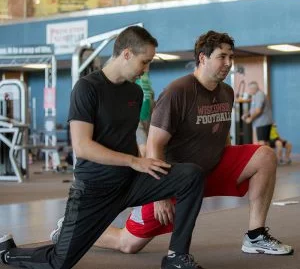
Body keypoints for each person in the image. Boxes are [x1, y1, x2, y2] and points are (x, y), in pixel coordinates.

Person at [50, 30, 293, 257]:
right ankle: (69, 230)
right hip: (177, 177)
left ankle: (255, 235)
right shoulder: (178, 91)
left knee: (264, 155)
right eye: (222, 57)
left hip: (211, 167)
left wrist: (234, 164)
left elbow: (222, 136)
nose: (229, 62)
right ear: (203, 58)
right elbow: (154, 143)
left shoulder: (226, 93)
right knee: (129, 243)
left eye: (231, 56)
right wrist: (160, 195)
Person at [0, 26, 207, 269]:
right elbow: (82, 146)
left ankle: (176, 257)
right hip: (95, 188)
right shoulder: (87, 88)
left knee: (191, 175)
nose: (145, 70)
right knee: (59, 262)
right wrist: (133, 161)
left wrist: (152, 174)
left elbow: (131, 135)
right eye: (144, 62)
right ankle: (8, 254)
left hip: (130, 182)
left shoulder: (135, 92)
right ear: (127, 54)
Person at [242, 81, 273, 145]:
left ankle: (264, 155)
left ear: (254, 89)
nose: (249, 91)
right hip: (261, 123)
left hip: (263, 123)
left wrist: (250, 118)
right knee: (264, 142)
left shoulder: (259, 95)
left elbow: (258, 110)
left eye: (250, 89)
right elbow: (253, 109)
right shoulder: (255, 95)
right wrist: (247, 114)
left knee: (262, 142)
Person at [136, 72, 155, 156]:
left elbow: (151, 97)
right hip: (137, 119)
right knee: (143, 147)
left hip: (147, 117)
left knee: (145, 146)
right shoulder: (133, 78)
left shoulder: (145, 79)